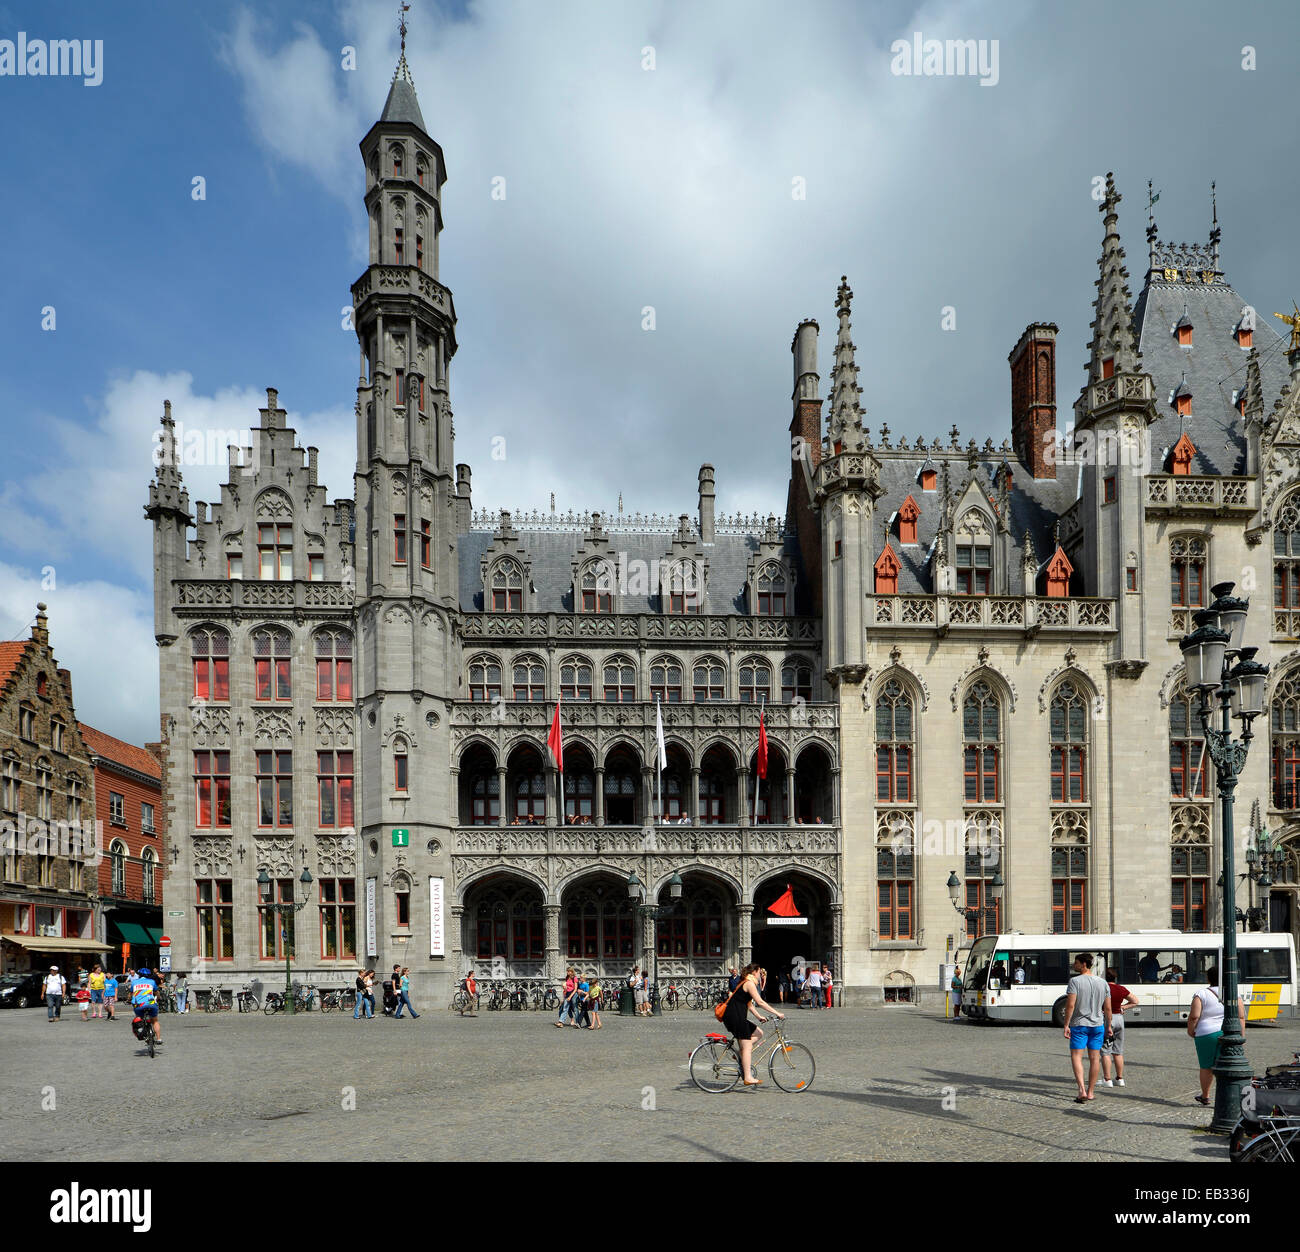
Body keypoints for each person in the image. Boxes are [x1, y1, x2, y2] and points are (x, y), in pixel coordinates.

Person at [1187, 966, 1246, 1106]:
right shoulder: (1234, 993)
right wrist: (1241, 1036)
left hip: (1206, 1033)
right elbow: (1241, 1016)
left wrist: (1191, 1030)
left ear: (1208, 978)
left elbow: (1194, 1016)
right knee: (1227, 1065)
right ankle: (1226, 1096)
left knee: (1206, 1066)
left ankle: (1206, 1096)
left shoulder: (1201, 994)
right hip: (1229, 1032)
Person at [721, 963, 785, 1086]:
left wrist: (758, 1016)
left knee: (758, 1033)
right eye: (759, 972)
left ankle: (740, 1054)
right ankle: (748, 1077)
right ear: (754, 972)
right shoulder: (749, 983)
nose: (760, 975)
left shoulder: (746, 982)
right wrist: (777, 1012)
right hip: (735, 1017)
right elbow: (760, 1002)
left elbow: (749, 1004)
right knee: (747, 1047)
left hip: (736, 1016)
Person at [1062, 952, 1112, 1102]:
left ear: (1084, 964)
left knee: (1077, 1057)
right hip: (1097, 1025)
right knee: (1095, 1059)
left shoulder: (1074, 981)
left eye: (1076, 963)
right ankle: (1091, 1092)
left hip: (1079, 1025)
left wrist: (1066, 1024)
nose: (1074, 965)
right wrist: (1108, 1026)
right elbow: (1108, 1008)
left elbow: (1070, 1005)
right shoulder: (1103, 982)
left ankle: (1081, 1090)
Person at [1101, 967, 1138, 1088]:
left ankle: (1107, 1079)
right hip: (1119, 1019)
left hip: (1107, 1018)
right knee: (1118, 1051)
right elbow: (1135, 1001)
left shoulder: (1103, 988)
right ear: (1115, 977)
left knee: (1105, 1050)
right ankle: (1120, 1078)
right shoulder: (1121, 989)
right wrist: (1123, 1007)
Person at [130, 967, 161, 1047]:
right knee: (155, 1021)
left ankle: (144, 1034)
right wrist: (159, 998)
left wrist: (128, 999)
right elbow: (156, 992)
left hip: (139, 1005)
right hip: (151, 1003)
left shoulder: (134, 982)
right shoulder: (152, 982)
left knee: (139, 1018)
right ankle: (158, 1038)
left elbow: (131, 994)